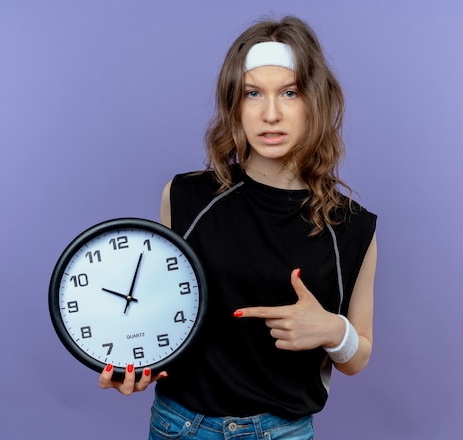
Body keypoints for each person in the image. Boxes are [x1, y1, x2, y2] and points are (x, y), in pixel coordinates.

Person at [99, 15, 377, 439]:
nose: (270, 114)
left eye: (289, 92)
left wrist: (333, 330)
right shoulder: (185, 197)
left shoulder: (352, 227)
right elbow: (158, 312)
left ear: (315, 102)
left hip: (282, 431)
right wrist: (131, 364)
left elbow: (357, 356)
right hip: (182, 426)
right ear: (235, 105)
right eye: (253, 93)